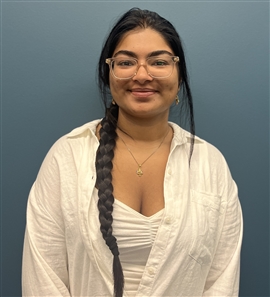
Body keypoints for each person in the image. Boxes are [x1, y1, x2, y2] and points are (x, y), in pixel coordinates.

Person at [22, 7, 243, 297]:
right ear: (109, 74)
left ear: (179, 76)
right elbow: (43, 279)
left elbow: (221, 281)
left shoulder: (210, 164)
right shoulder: (67, 157)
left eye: (159, 62)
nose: (142, 75)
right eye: (126, 62)